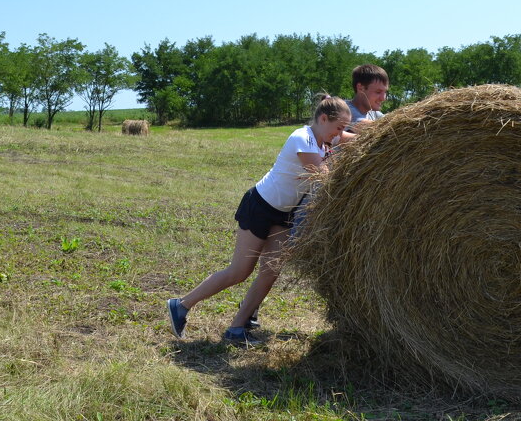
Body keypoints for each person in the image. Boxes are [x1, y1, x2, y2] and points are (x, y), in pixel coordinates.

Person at [166, 94, 352, 345]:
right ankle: (181, 305)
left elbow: (357, 137)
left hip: (285, 213)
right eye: (338, 127)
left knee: (270, 271)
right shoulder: (303, 137)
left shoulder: (326, 139)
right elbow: (323, 175)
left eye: (343, 129)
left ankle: (236, 329)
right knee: (240, 271)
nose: (340, 134)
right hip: (261, 206)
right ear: (322, 118)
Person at [346, 63, 389, 131]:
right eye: (378, 92)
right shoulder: (343, 109)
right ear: (360, 88)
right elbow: (363, 125)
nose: (383, 98)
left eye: (385, 92)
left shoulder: (374, 114)